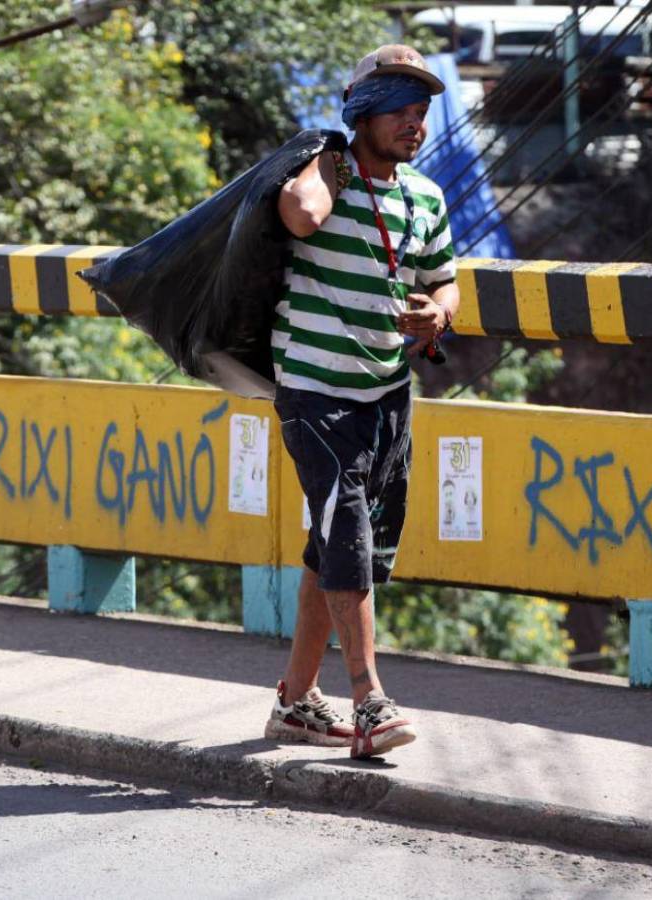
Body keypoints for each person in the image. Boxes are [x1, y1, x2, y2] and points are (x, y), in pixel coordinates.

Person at [264, 44, 460, 759]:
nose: (414, 124)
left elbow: (445, 281)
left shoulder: (425, 198)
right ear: (362, 113)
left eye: (420, 112)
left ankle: (294, 701)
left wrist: (437, 316)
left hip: (386, 394)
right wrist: (336, 158)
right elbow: (298, 215)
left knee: (341, 543)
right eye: (398, 109)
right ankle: (369, 698)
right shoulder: (326, 175)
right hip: (315, 389)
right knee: (345, 530)